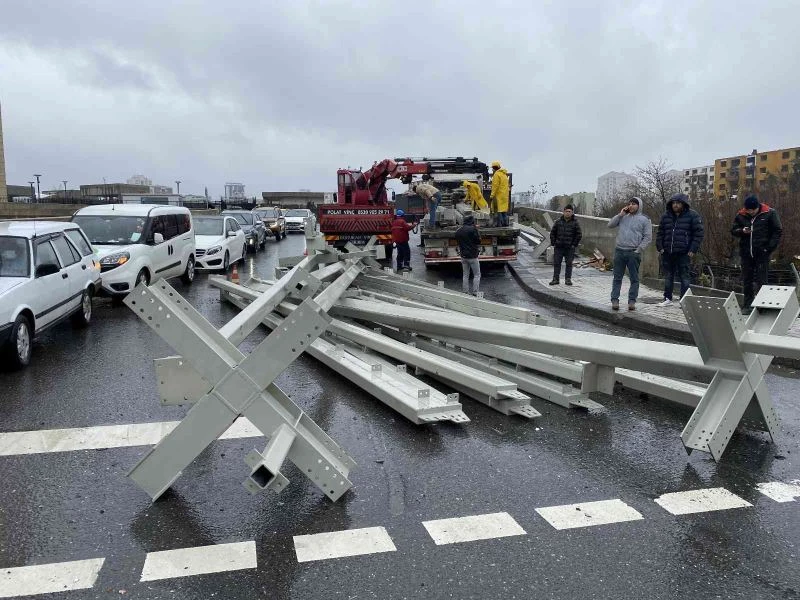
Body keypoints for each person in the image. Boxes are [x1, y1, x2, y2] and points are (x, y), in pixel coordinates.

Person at [731, 194, 783, 312]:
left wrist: (769, 248)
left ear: (757, 207)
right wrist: (742, 231)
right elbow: (733, 230)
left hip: (762, 253)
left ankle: (762, 307)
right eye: (748, 210)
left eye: (753, 210)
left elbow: (777, 231)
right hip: (746, 253)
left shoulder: (770, 213)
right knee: (747, 280)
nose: (751, 213)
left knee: (762, 280)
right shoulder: (741, 215)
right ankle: (747, 306)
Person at [655, 193, 704, 306]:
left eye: (678, 203)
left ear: (683, 204)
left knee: (684, 277)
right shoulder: (666, 216)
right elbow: (660, 233)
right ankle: (667, 299)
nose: (675, 205)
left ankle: (684, 301)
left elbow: (699, 234)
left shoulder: (692, 215)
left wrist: (693, 249)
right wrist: (660, 248)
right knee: (668, 276)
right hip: (668, 251)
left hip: (684, 252)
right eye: (673, 203)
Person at [607, 197, 652, 311]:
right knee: (617, 277)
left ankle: (632, 301)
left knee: (634, 278)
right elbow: (610, 225)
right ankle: (614, 300)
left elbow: (647, 237)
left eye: (634, 204)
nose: (631, 206)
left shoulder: (644, 219)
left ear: (639, 206)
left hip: (633, 252)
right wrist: (620, 214)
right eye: (630, 204)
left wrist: (639, 249)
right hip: (619, 251)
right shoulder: (623, 217)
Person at [549, 204, 582, 286]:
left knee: (569, 264)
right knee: (557, 263)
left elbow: (579, 235)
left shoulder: (575, 223)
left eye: (569, 211)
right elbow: (552, 233)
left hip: (569, 248)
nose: (568, 213)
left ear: (572, 212)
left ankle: (568, 279)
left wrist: (574, 245)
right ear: (563, 212)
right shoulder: (558, 222)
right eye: (566, 211)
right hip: (559, 247)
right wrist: (554, 243)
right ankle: (555, 279)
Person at [455, 213, 481, 295]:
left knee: (465, 275)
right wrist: (477, 230)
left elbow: (458, 240)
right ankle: (475, 292)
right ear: (472, 221)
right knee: (477, 275)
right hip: (473, 256)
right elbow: (478, 241)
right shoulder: (473, 229)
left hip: (463, 256)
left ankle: (465, 292)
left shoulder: (459, 231)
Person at [490, 161, 510, 226]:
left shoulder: (496, 174)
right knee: (503, 210)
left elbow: (495, 186)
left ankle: (499, 224)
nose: (492, 169)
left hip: (499, 195)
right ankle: (506, 223)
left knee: (498, 210)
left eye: (492, 168)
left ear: (494, 168)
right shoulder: (504, 174)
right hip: (505, 195)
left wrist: (492, 195)